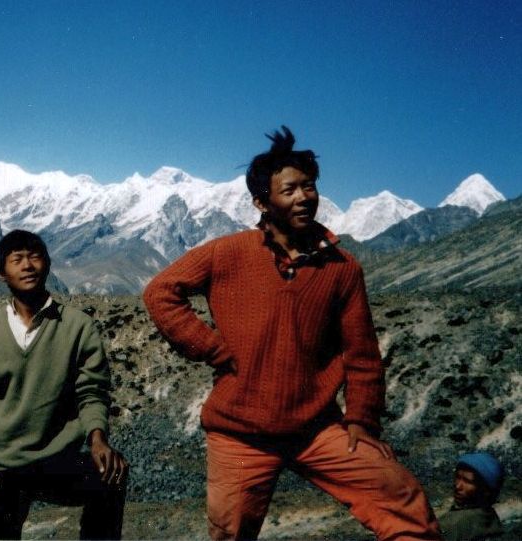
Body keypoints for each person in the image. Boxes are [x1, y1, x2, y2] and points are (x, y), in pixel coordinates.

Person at [143, 127, 441, 541]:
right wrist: (209, 347)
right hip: (239, 431)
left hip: (315, 429)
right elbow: (161, 291)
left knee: (401, 496)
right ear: (262, 202)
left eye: (310, 187)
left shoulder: (342, 268)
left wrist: (362, 422)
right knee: (230, 534)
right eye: (290, 190)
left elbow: (362, 353)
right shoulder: (227, 252)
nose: (304, 197)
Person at [0, 230, 128, 540]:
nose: (27, 266)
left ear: (47, 265)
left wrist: (98, 438)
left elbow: (91, 391)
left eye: (35, 257)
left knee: (111, 474)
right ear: (2, 274)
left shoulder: (77, 327)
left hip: (55, 456)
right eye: (16, 259)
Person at [440, 452, 504, 541]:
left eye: (467, 481)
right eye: (458, 477)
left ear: (485, 490)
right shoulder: (489, 516)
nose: (458, 486)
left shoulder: (453, 524)